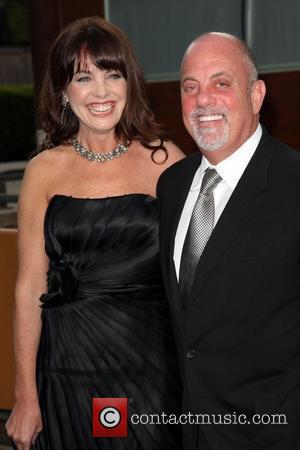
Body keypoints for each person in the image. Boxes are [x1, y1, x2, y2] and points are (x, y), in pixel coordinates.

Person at [5, 16, 184, 450]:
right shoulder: (43, 172)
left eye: (113, 74)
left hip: (148, 370)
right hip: (65, 368)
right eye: (84, 78)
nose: (101, 92)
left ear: (130, 84)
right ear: (65, 92)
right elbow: (29, 288)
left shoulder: (166, 162)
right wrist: (25, 395)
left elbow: (196, 274)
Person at [157, 32, 300, 450]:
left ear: (256, 94)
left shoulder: (294, 184)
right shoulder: (172, 186)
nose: (203, 100)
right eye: (190, 87)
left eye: (221, 83)